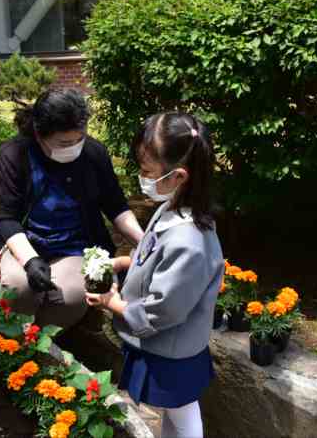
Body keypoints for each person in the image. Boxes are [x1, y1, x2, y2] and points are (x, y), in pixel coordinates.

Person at [86, 112, 224, 438]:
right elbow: (152, 255)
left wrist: (114, 303)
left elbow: (163, 309)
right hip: (166, 345)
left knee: (183, 411)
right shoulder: (171, 209)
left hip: (171, 348)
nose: (142, 177)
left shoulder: (189, 241)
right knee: (175, 412)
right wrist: (125, 264)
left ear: (178, 177)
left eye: (147, 171)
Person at [0, 88, 144, 328]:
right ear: (39, 135)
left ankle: (46, 342)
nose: (74, 147)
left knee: (69, 296)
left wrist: (145, 241)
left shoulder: (93, 153)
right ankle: (12, 339)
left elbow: (116, 206)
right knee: (19, 288)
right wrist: (30, 260)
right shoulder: (13, 155)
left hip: (75, 246)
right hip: (25, 242)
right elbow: (5, 217)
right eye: (64, 143)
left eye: (79, 139)